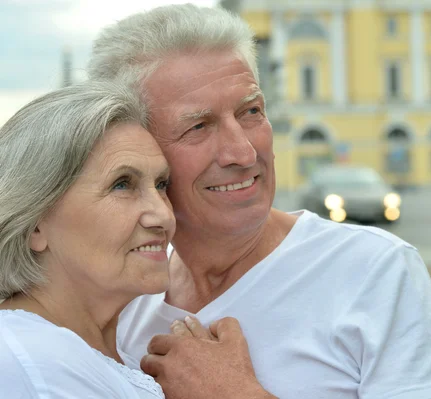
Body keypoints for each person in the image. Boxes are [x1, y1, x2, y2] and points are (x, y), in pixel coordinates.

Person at [89, 4, 431, 399]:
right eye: (198, 126)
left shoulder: (373, 272)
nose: (242, 152)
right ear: (135, 148)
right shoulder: (125, 304)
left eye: (251, 111)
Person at [0, 81, 269, 398]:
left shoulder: (82, 359)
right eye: (121, 185)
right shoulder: (27, 363)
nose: (163, 215)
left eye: (161, 184)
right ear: (35, 225)